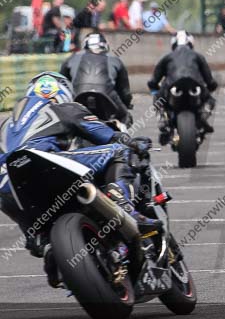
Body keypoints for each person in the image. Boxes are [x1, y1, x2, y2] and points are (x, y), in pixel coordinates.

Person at [0, 72, 156, 287]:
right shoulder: (63, 107)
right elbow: (105, 134)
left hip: (7, 184)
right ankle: (124, 204)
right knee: (120, 151)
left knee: (29, 219)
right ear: (63, 92)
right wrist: (131, 142)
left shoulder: (5, 124)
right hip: (46, 162)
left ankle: (47, 247)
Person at [148, 31, 218, 144]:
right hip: (195, 85)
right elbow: (210, 80)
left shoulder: (166, 57)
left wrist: (154, 89)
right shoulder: (198, 56)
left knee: (157, 98)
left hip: (171, 86)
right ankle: (203, 118)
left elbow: (153, 81)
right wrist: (211, 87)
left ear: (173, 44)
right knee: (210, 100)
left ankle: (163, 120)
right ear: (191, 43)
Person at [60, 33, 133, 125]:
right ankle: (122, 137)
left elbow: (62, 84)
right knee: (125, 116)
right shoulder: (115, 60)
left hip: (77, 99)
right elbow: (124, 91)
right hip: (108, 99)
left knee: (63, 120)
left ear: (85, 45)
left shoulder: (72, 58)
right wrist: (127, 104)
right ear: (105, 46)